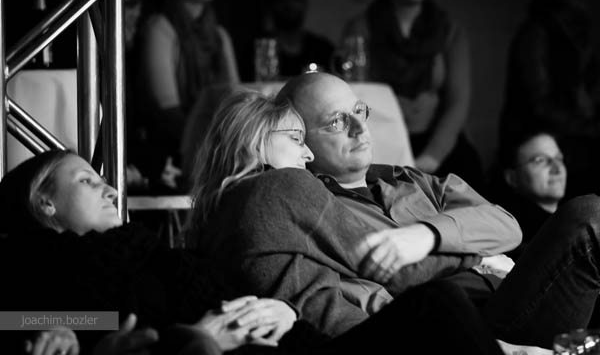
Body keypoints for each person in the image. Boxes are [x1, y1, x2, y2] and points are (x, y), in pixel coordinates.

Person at [270, 71, 600, 348]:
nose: (359, 127)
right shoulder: (315, 211)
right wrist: (475, 254)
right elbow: (382, 294)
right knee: (587, 217)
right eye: (336, 122)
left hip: (517, 294)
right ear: (302, 142)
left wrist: (426, 235)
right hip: (459, 324)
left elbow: (506, 227)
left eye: (359, 110)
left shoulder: (411, 179)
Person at [184, 91, 525, 354]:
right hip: (337, 338)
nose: (308, 155)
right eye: (296, 139)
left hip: (306, 337)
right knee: (438, 300)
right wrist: (478, 258)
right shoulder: (282, 185)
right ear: (255, 141)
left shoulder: (212, 212)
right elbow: (393, 270)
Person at [0, 150, 298, 354]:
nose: (111, 192)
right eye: (86, 181)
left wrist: (285, 312)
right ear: (45, 202)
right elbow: (20, 320)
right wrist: (197, 339)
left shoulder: (150, 253)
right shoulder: (31, 270)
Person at [342, 0, 483, 189]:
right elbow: (354, 90)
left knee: (466, 178)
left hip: (435, 138)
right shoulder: (362, 27)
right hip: (380, 135)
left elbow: (458, 101)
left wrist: (432, 156)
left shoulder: (448, 30)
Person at [131, 0, 239, 191]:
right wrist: (213, 147)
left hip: (217, 145)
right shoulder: (160, 28)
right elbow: (166, 111)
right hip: (172, 152)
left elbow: (236, 98)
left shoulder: (219, 35)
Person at [500, 0, 600, 198]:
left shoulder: (584, 33)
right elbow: (538, 106)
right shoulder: (536, 34)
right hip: (541, 141)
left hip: (576, 140)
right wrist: (591, 128)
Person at [490, 130, 567, 259]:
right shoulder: (513, 233)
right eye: (540, 160)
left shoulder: (566, 220)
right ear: (512, 178)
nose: (557, 169)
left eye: (559, 159)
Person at [262, 0, 335, 76]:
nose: (289, 5)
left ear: (304, 3)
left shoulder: (323, 50)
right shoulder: (257, 51)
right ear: (270, 5)